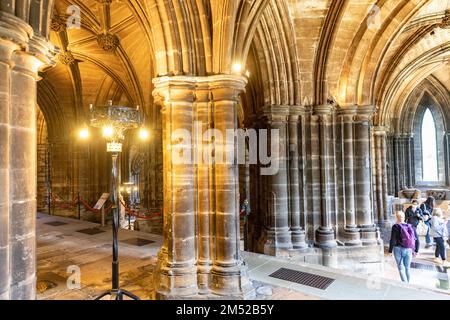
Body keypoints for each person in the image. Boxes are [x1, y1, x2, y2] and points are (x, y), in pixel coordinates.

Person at [389, 211, 416, 283]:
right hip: (408, 249)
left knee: (401, 268)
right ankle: (408, 283)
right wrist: (414, 250)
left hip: (398, 249)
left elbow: (393, 239)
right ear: (404, 217)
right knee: (407, 268)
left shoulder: (395, 226)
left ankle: (405, 284)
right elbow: (414, 238)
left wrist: (390, 251)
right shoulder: (410, 226)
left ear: (396, 218)